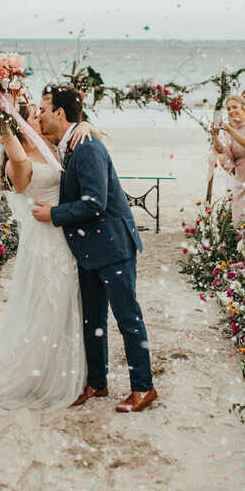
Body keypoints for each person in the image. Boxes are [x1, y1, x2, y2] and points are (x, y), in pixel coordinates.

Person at [32, 86, 156, 413]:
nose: (41, 115)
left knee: (128, 318)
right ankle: (97, 382)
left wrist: (53, 215)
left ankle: (143, 387)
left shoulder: (86, 146)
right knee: (93, 320)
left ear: (60, 112)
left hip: (112, 246)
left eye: (44, 109)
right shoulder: (68, 144)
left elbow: (95, 203)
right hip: (88, 249)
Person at [0, 100, 88, 409]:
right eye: (34, 115)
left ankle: (71, 365)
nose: (40, 117)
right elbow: (19, 159)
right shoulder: (19, 162)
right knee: (46, 302)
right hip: (44, 239)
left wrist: (85, 125)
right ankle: (42, 373)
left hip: (64, 233)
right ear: (20, 125)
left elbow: (74, 133)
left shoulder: (51, 146)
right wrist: (5, 123)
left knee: (67, 300)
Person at [212, 96, 245, 228]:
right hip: (239, 177)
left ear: (243, 107)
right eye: (228, 108)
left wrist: (231, 130)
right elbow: (222, 150)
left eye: (235, 107)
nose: (231, 111)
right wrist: (215, 135)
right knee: (238, 218)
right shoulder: (230, 129)